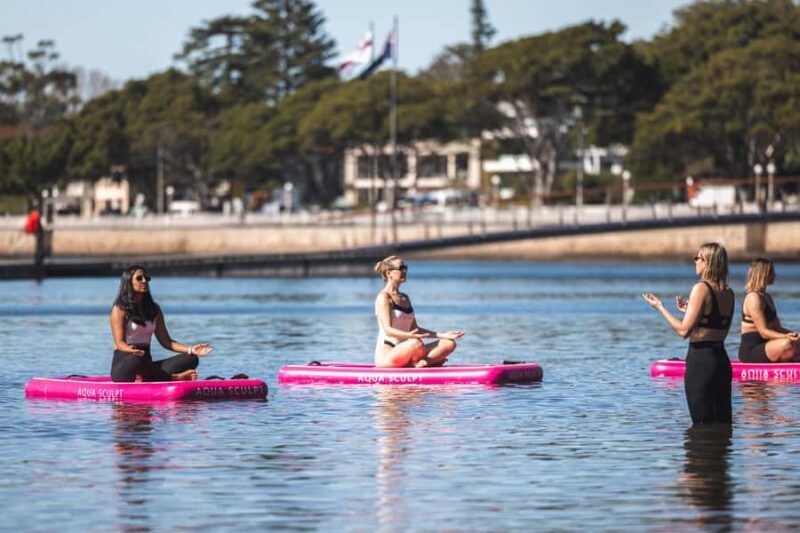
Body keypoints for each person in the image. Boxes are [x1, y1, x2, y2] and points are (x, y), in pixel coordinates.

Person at [643, 243, 734, 425]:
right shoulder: (728, 292)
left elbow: (684, 331)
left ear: (707, 262)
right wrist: (689, 310)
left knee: (701, 426)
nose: (695, 262)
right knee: (723, 424)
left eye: (697, 258)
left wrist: (660, 307)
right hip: (721, 362)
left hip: (701, 363)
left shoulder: (701, 288)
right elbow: (716, 324)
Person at [110, 265, 213, 382]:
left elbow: (166, 342)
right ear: (128, 282)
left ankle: (147, 377)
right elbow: (119, 343)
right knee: (136, 360)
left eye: (146, 278)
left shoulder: (154, 309)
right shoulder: (119, 310)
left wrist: (191, 349)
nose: (144, 281)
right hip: (125, 364)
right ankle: (174, 378)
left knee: (191, 359)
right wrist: (132, 350)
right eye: (139, 278)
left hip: (146, 365)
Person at [373, 256, 464, 368]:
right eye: (401, 268)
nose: (404, 271)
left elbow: (415, 328)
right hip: (388, 355)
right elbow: (388, 330)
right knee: (416, 342)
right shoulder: (384, 297)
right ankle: (424, 362)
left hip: (411, 349)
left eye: (405, 267)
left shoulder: (405, 298)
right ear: (388, 273)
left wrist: (443, 335)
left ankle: (423, 363)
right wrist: (409, 335)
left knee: (449, 343)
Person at [739, 257, 800, 363]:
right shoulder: (753, 298)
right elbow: (763, 332)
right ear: (763, 275)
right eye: (771, 272)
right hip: (752, 350)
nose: (775, 275)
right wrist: (786, 337)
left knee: (795, 342)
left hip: (768, 346)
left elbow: (777, 328)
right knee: (787, 344)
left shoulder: (767, 297)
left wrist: (795, 335)